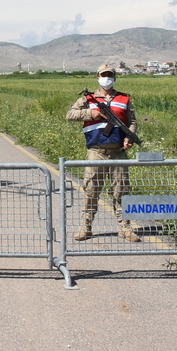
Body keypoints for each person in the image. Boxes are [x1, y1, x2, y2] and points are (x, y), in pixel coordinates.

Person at [66, 64, 141, 242]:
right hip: (96, 152)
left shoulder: (124, 98)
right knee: (91, 190)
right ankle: (86, 226)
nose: (106, 78)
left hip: (118, 152)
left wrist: (129, 137)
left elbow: (132, 122)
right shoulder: (88, 99)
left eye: (110, 75)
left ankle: (125, 227)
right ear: (98, 77)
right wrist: (91, 113)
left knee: (122, 190)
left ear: (114, 78)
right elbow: (70, 115)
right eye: (103, 75)